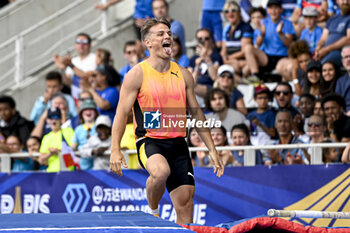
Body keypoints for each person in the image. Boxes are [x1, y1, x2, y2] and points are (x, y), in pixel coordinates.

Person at [109, 18, 224, 224]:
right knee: (160, 172)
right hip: (150, 140)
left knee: (185, 204)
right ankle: (153, 211)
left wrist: (212, 150)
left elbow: (197, 114)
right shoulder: (137, 74)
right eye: (161, 34)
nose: (167, 36)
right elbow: (120, 114)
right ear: (148, 42)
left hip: (178, 143)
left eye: (169, 33)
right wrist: (115, 149)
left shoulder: (183, 74)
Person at [256, 0, 295, 74]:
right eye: (270, 8)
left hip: (282, 56)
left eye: (276, 8)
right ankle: (255, 76)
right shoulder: (263, 22)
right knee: (248, 48)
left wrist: (280, 33)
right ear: (267, 10)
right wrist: (262, 34)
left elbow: (289, 44)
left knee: (284, 67)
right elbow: (258, 44)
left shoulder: (287, 23)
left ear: (281, 10)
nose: (273, 11)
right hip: (267, 57)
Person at [188, 28, 223, 107]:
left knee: (192, 88)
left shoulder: (216, 56)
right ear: (197, 41)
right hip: (196, 87)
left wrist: (206, 58)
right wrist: (197, 66)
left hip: (210, 87)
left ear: (211, 40)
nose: (203, 41)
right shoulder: (193, 59)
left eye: (206, 38)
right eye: (200, 39)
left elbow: (214, 77)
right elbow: (190, 80)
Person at [314, 0, 350, 67]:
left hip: (341, 52)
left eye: (348, 0)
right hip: (327, 51)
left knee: (320, 67)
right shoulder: (332, 19)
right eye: (343, 0)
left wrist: (327, 49)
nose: (345, 2)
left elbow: (348, 39)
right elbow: (323, 39)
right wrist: (318, 48)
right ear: (337, 1)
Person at [38, 107, 75, 172]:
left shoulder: (68, 131)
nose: (53, 120)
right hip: (51, 173)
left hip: (68, 171)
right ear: (47, 120)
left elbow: (74, 149)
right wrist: (50, 154)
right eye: (50, 117)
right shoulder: (46, 137)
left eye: (56, 117)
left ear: (61, 119)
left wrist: (59, 151)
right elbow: (41, 160)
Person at [71, 99, 98, 170]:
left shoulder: (100, 127)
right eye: (85, 109)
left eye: (91, 109)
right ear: (81, 113)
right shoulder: (78, 129)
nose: (88, 112)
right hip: (82, 165)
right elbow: (73, 146)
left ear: (95, 112)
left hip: (97, 163)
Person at [335, 45, 350, 115]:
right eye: (346, 57)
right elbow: (337, 103)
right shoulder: (340, 81)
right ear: (342, 61)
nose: (349, 59)